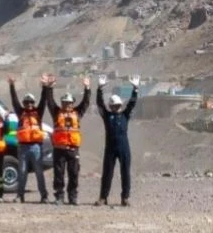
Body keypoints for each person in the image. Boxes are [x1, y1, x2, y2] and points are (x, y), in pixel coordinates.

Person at [95, 75, 139, 207]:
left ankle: (125, 198)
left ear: (120, 105)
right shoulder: (107, 116)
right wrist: (99, 88)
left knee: (125, 172)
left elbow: (132, 103)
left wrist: (135, 89)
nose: (114, 107)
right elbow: (99, 103)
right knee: (107, 173)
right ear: (110, 106)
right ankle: (103, 197)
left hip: (124, 148)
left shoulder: (125, 115)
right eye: (112, 105)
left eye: (117, 105)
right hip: (110, 148)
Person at [8, 74, 52, 203]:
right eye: (26, 102)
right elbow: (14, 100)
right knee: (22, 171)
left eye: (31, 102)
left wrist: (45, 87)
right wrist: (12, 86)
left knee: (39, 172)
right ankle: (19, 195)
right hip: (23, 147)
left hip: (36, 147)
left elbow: (44, 101)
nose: (29, 104)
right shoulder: (20, 113)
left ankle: (44, 196)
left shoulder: (38, 113)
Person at [48, 76, 90, 205]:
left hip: (73, 150)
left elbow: (85, 103)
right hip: (59, 150)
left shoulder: (77, 113)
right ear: (62, 103)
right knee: (59, 174)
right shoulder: (56, 113)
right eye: (65, 102)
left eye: (69, 102)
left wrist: (87, 89)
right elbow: (49, 102)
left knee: (74, 174)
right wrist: (49, 88)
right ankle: (59, 196)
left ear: (72, 103)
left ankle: (72, 197)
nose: (67, 104)